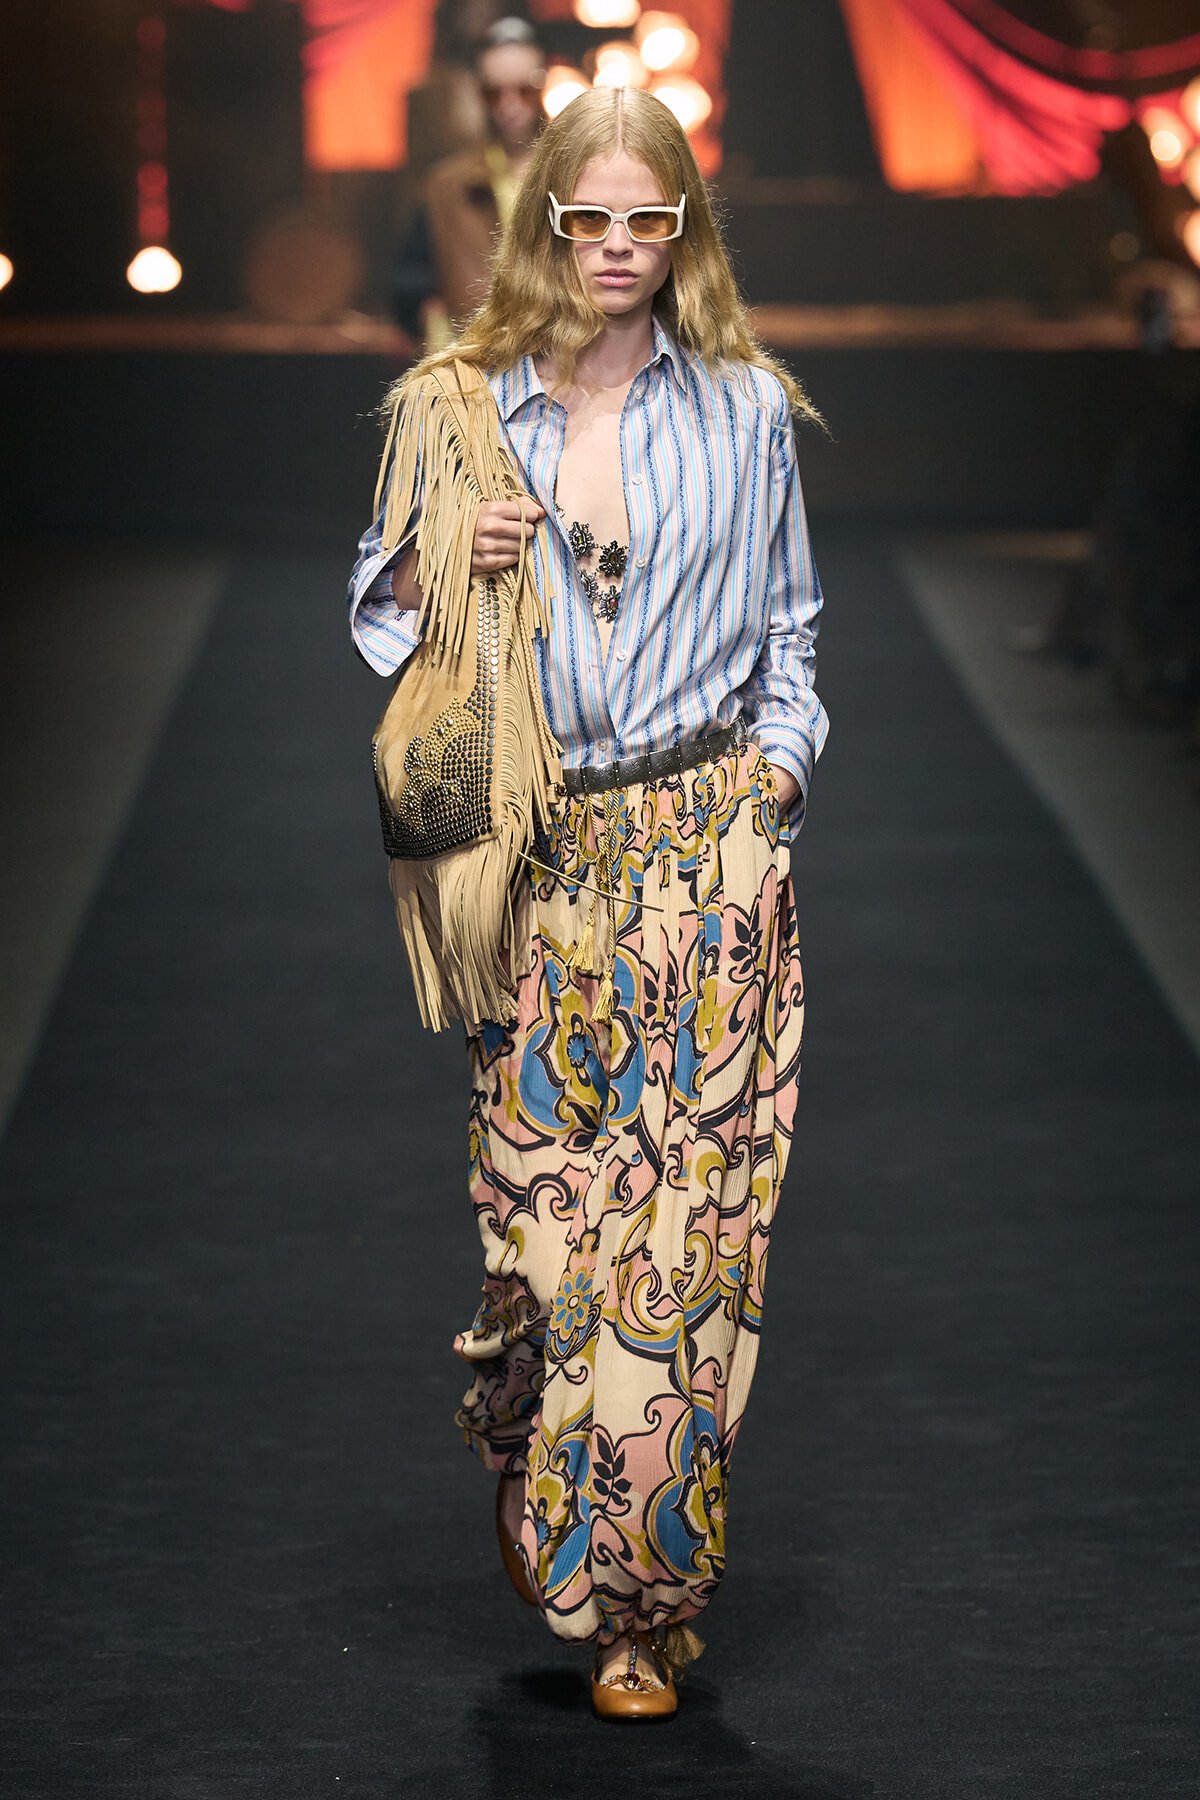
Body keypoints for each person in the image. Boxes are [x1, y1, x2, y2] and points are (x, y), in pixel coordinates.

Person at [349, 84, 828, 1721]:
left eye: (649, 220)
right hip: (539, 865)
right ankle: (530, 1427)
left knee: (684, 1254)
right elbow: (374, 618)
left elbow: (793, 628)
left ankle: (638, 1605)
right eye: (591, 219)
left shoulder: (748, 410)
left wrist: (775, 780)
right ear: (543, 223)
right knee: (548, 1238)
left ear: (684, 230)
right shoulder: (464, 405)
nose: (619, 248)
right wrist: (445, 558)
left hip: (709, 854)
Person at [394, 15, 547, 344]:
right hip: (474, 350)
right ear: (479, 92)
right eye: (494, 92)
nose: (509, 104)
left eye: (525, 90)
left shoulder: (569, 175)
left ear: (542, 87)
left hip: (556, 346)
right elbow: (410, 282)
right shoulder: (447, 185)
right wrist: (429, 319)